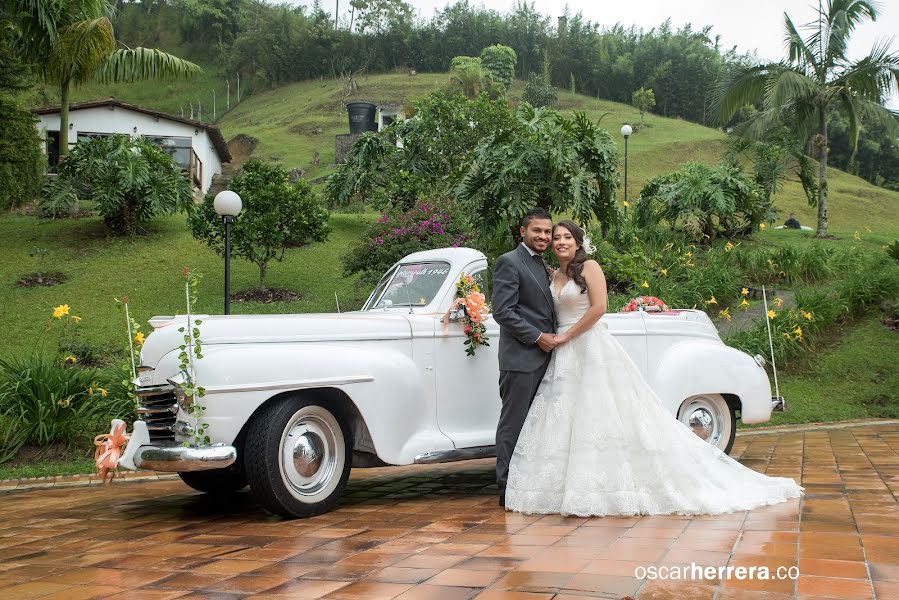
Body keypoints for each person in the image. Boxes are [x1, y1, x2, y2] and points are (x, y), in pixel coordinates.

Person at [504, 220, 803, 516]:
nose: (559, 242)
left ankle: (610, 487)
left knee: (600, 413)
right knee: (566, 417)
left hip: (587, 345)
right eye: (556, 237)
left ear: (578, 242)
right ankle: (570, 487)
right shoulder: (553, 274)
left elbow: (599, 308)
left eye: (566, 237)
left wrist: (566, 336)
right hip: (562, 354)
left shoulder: (589, 267)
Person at [491, 208, 557, 508]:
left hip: (546, 358)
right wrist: (537, 337)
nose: (543, 236)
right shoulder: (509, 262)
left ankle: (530, 484)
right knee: (513, 424)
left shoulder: (544, 265)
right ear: (523, 231)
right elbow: (503, 311)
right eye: (537, 231)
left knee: (538, 425)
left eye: (547, 231)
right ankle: (506, 488)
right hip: (521, 358)